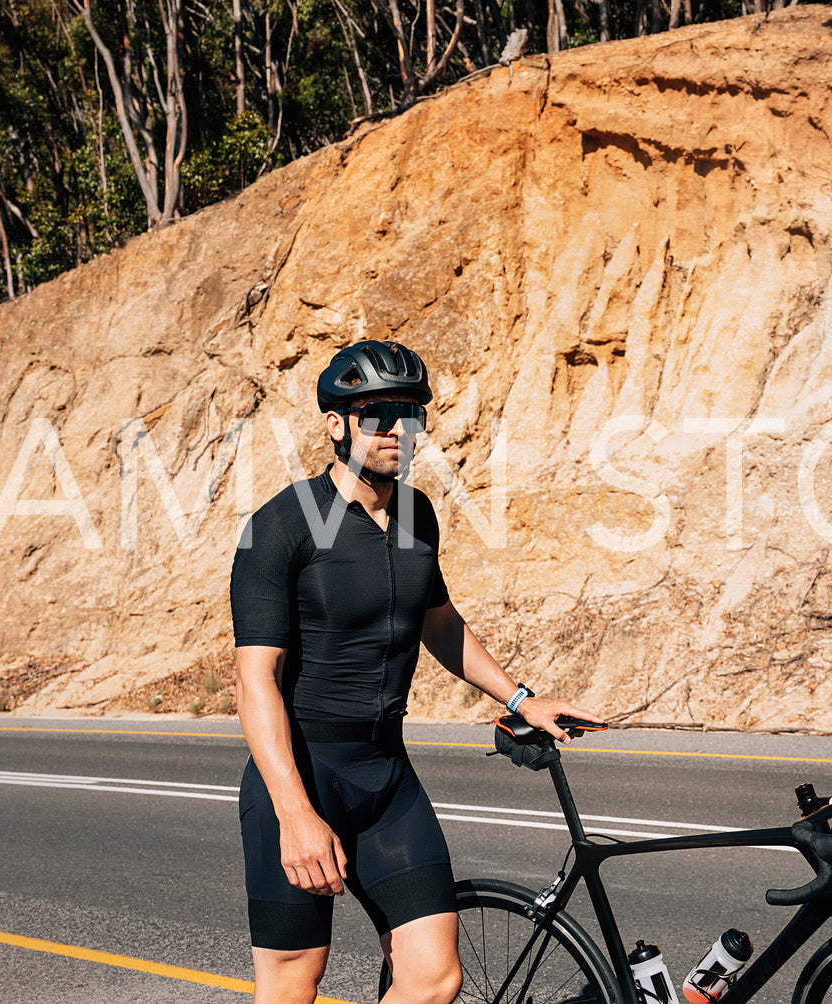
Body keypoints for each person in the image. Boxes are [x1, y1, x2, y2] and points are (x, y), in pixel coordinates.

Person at [230, 339, 601, 1004]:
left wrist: (521, 697)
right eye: (377, 413)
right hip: (302, 774)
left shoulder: (415, 513)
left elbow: (439, 622)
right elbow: (254, 680)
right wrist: (294, 812)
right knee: (292, 982)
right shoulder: (280, 526)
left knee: (432, 979)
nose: (397, 429)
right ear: (335, 423)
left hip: (385, 777)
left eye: (410, 412)